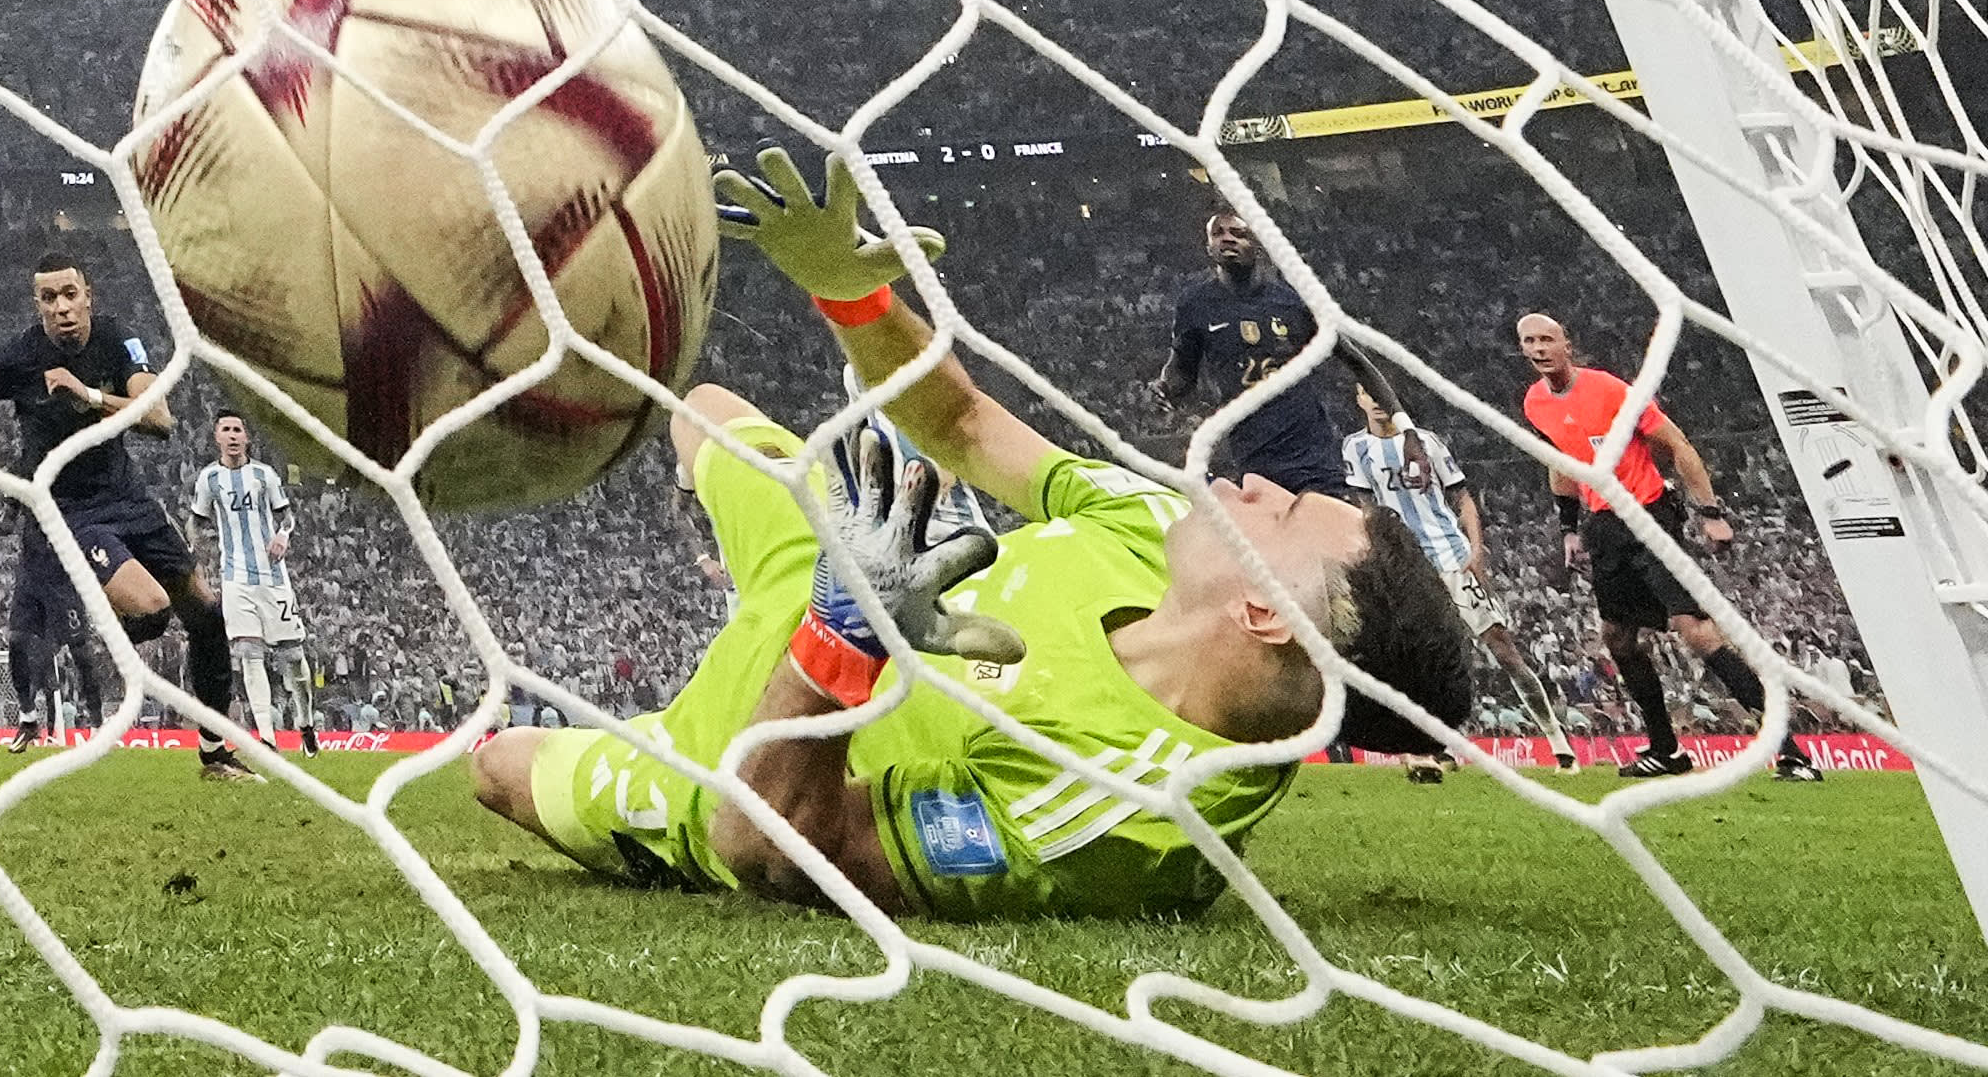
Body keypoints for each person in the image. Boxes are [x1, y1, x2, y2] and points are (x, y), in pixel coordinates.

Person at [473, 148, 1470, 918]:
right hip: (847, 553)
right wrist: (847, 289)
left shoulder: (1119, 820)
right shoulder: (1154, 521)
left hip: (742, 741)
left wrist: (844, 632)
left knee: (499, 766)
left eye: (1282, 511)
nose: (1252, 483)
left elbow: (766, 841)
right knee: (706, 408)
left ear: (1263, 611)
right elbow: (962, 423)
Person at [0, 251, 256, 780]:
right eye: (49, 298)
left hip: (127, 498)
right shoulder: (20, 355)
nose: (61, 307)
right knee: (153, 611)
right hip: (67, 512)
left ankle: (214, 754)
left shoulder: (116, 339)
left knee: (206, 612)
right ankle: (98, 616)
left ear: (88, 296)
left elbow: (159, 419)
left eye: (70, 294)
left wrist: (87, 395)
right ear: (37, 305)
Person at [1515, 314, 1821, 782]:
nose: (1538, 348)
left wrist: (1711, 512)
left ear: (1566, 345)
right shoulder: (1535, 403)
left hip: (1649, 515)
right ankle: (1665, 750)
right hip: (1605, 525)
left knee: (1695, 631)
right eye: (1529, 341)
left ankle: (1791, 751)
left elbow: (1677, 444)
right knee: (1618, 637)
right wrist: (1569, 528)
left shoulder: (1610, 391)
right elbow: (1560, 460)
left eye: (1547, 339)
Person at [1341, 388, 1577, 776]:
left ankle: (1557, 741)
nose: (1377, 401)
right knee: (1417, 660)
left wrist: (1477, 551)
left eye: (1382, 394)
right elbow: (1367, 510)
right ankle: (1430, 748)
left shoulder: (1426, 442)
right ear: (1359, 400)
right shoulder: (1355, 448)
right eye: (1369, 394)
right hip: (1406, 566)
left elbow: (1463, 499)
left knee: (1502, 648)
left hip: (1451, 556)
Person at [1151, 210, 1429, 497]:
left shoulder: (1293, 301)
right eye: (1218, 233)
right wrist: (1165, 389)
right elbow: (1182, 372)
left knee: (1337, 523)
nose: (1228, 239)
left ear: (1258, 244)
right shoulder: (1195, 305)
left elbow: (1356, 362)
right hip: (1253, 456)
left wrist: (1407, 430)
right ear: (1209, 247)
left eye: (1238, 233)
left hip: (1312, 453)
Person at [188, 412, 322, 757]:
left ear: (246, 438)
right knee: (249, 653)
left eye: (238, 430)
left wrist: (283, 536)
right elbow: (196, 521)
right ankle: (267, 739)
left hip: (273, 578)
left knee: (293, 658)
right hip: (236, 580)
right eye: (226, 430)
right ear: (216, 437)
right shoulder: (209, 479)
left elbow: (287, 516)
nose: (233, 435)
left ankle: (305, 723)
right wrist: (195, 553)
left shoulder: (264, 475)